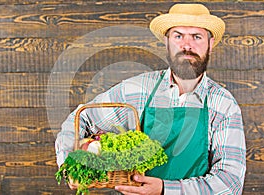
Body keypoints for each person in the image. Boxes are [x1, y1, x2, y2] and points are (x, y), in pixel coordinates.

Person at [55, 3, 246, 195]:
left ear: (210, 44)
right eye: (178, 36)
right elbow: (81, 119)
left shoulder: (223, 105)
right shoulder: (137, 90)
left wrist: (164, 189)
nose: (187, 46)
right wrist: (69, 164)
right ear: (167, 42)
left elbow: (231, 182)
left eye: (197, 37)